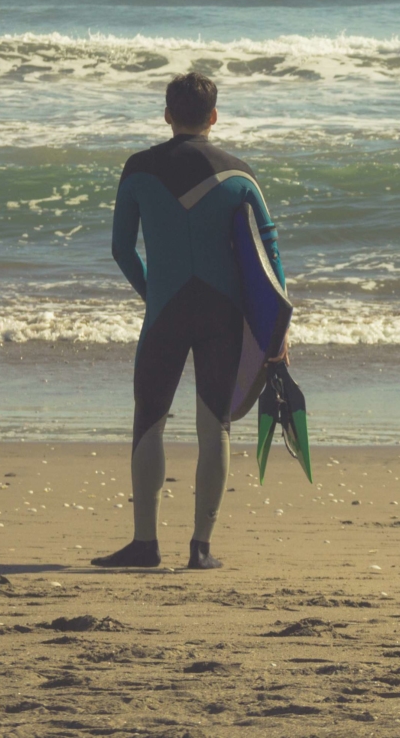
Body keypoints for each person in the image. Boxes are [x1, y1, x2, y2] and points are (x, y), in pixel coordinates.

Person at [91, 71, 285, 570]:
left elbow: (120, 250)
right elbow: (272, 259)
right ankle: (201, 547)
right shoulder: (241, 175)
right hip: (224, 315)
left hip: (166, 311)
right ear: (214, 117)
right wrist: (275, 334)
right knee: (214, 426)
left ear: (167, 115)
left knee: (149, 421)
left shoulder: (137, 170)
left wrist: (152, 292)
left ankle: (144, 544)